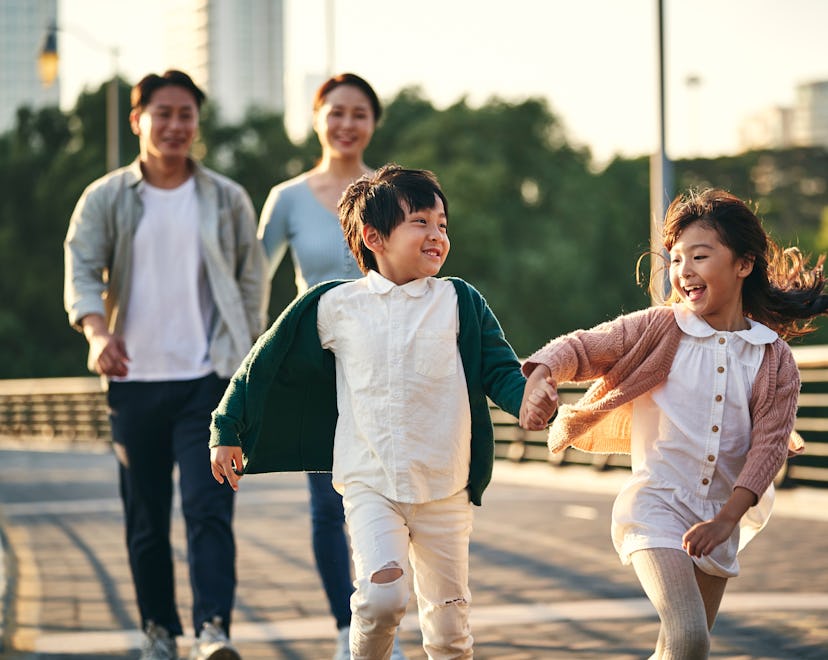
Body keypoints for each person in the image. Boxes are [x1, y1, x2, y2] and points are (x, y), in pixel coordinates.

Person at [210, 165, 555, 660]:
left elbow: (500, 371)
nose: (437, 235)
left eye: (442, 224)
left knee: (450, 630)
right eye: (421, 222)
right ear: (374, 237)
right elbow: (264, 362)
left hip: (445, 487)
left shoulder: (460, 301)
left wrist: (529, 400)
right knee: (380, 599)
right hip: (370, 484)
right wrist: (227, 427)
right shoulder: (335, 306)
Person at [520, 188, 826, 658]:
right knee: (688, 637)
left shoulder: (772, 357)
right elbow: (584, 347)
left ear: (743, 265)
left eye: (700, 256)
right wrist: (542, 374)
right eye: (677, 258)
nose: (683, 271)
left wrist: (727, 519)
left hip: (722, 514)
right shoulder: (660, 328)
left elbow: (769, 446)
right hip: (656, 506)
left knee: (681, 650)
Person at [64, 70, 268, 660]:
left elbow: (252, 278)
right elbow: (81, 267)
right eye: (164, 113)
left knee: (209, 510)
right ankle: (159, 631)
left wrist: (245, 356)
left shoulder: (226, 197)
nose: (176, 125)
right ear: (139, 120)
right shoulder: (105, 197)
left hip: (208, 380)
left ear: (196, 124)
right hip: (133, 380)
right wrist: (97, 331)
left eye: (187, 115)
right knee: (147, 517)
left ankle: (212, 632)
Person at [257, 72, 394, 659]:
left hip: (390, 363)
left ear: (373, 123)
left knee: (392, 498)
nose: (346, 123)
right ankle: (349, 629)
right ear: (317, 118)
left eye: (359, 113)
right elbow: (250, 281)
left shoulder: (394, 192)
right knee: (325, 505)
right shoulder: (287, 198)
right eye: (335, 111)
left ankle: (385, 624)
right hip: (317, 370)